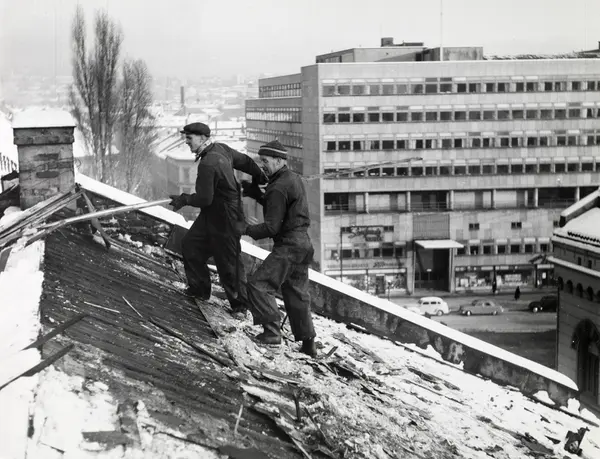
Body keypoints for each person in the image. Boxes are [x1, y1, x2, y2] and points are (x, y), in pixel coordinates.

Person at [169, 122, 266, 314]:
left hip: (226, 218)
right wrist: (260, 176)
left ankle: (240, 307)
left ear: (202, 138)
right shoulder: (221, 148)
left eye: (189, 138)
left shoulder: (208, 163)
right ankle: (199, 290)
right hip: (213, 213)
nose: (186, 142)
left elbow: (204, 198)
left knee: (228, 262)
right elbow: (246, 162)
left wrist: (185, 199)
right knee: (191, 245)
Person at [242, 140, 317, 357]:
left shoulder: (277, 187)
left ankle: (272, 333)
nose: (262, 165)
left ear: (278, 160)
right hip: (303, 245)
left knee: (258, 285)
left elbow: (271, 227)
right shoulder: (292, 178)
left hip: (289, 246)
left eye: (265, 161)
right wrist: (257, 195)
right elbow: (281, 208)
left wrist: (245, 229)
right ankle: (309, 344)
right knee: (297, 294)